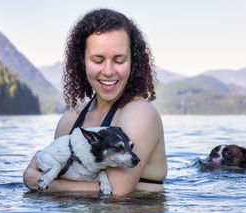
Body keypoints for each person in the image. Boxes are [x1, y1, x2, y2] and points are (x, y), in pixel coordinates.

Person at [23, 8, 167, 196]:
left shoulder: (140, 113)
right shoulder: (69, 120)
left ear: (133, 61)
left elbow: (117, 191)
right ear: (82, 61)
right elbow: (55, 175)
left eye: (119, 59)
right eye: (98, 60)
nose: (108, 71)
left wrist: (33, 180)